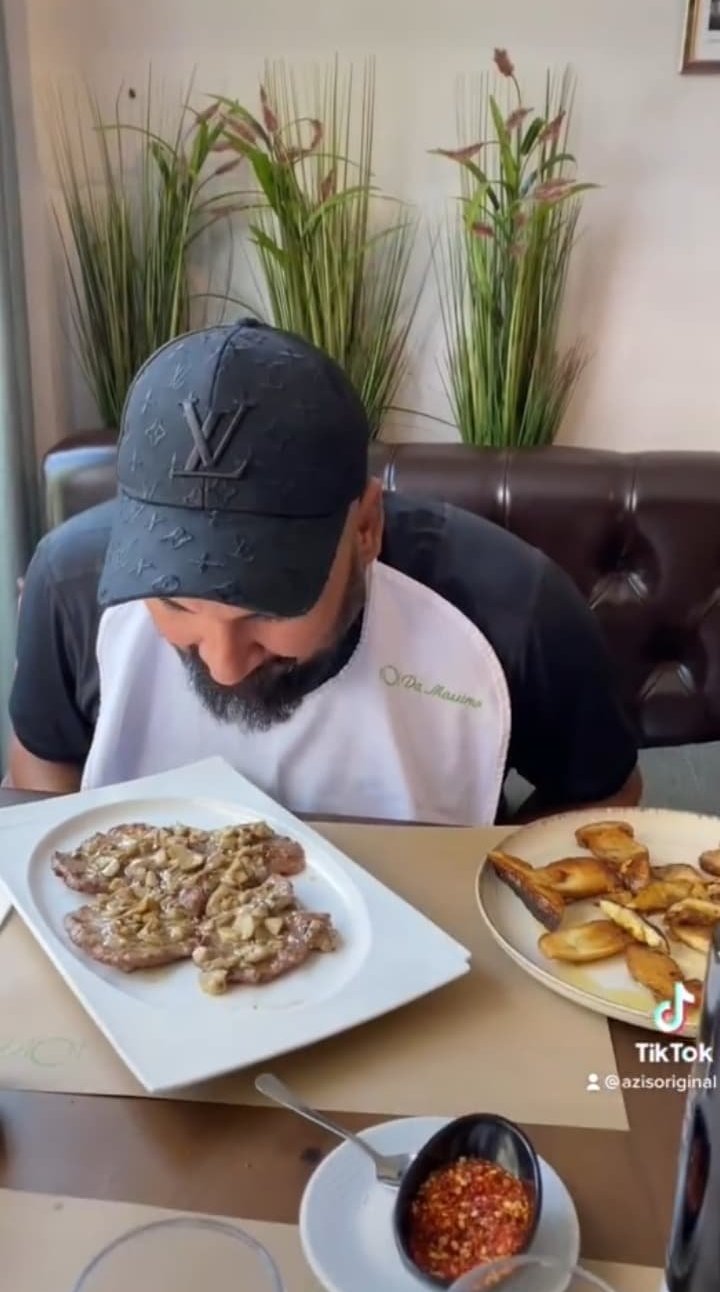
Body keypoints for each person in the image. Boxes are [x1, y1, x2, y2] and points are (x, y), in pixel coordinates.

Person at [7, 319, 641, 823]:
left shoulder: (516, 609)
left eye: (268, 608)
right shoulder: (70, 584)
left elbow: (601, 796)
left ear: (365, 528)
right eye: (176, 605)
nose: (224, 665)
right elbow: (42, 771)